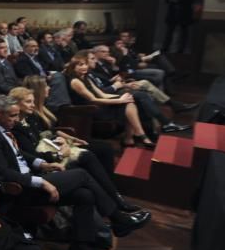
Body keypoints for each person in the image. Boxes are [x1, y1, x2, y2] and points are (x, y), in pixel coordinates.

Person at [0, 97, 146, 250]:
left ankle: (81, 249)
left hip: (31, 178)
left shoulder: (2, 129)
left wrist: (42, 164)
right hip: (19, 190)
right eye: (13, 116)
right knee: (81, 174)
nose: (17, 120)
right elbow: (2, 172)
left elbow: (18, 156)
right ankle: (117, 217)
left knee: (84, 195)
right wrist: (41, 182)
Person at [10, 86, 148, 216]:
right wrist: (58, 153)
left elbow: (47, 134)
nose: (33, 105)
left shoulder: (30, 117)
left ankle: (114, 199)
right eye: (28, 102)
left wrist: (65, 142)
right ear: (16, 104)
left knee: (98, 154)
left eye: (33, 101)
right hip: (46, 164)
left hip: (54, 150)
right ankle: (115, 203)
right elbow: (33, 155)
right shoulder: (15, 128)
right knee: (88, 161)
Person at [64, 54, 154, 148]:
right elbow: (93, 100)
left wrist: (122, 97)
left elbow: (102, 94)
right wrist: (119, 100)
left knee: (129, 100)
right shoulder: (75, 81)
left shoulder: (86, 77)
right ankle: (138, 136)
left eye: (85, 64)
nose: (84, 67)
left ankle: (131, 138)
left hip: (100, 103)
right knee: (127, 103)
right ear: (73, 67)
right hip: (91, 109)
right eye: (80, 65)